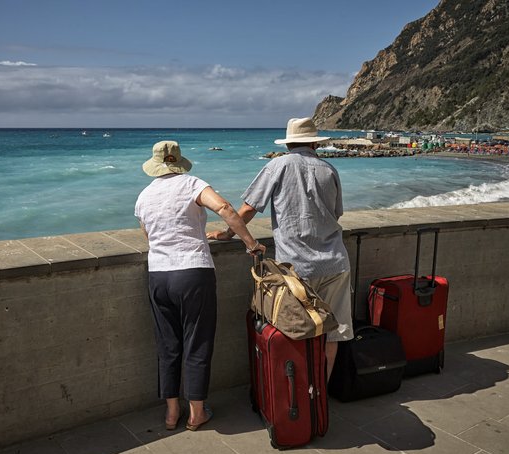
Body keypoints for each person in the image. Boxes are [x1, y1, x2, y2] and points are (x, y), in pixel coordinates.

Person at [208, 117, 353, 381]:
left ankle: (299, 396)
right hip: (335, 262)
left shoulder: (278, 165)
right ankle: (321, 394)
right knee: (334, 332)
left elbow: (249, 207)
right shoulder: (329, 169)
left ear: (288, 143)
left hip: (296, 268)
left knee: (296, 331)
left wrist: (228, 233)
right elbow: (336, 214)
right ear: (314, 143)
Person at [135, 140, 266, 432]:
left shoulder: (143, 197)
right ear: (179, 162)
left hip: (159, 275)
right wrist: (250, 243)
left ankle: (171, 413)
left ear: (155, 165)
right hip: (193, 272)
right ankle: (196, 413)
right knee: (197, 341)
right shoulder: (192, 184)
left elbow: (149, 237)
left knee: (168, 345)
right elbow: (225, 207)